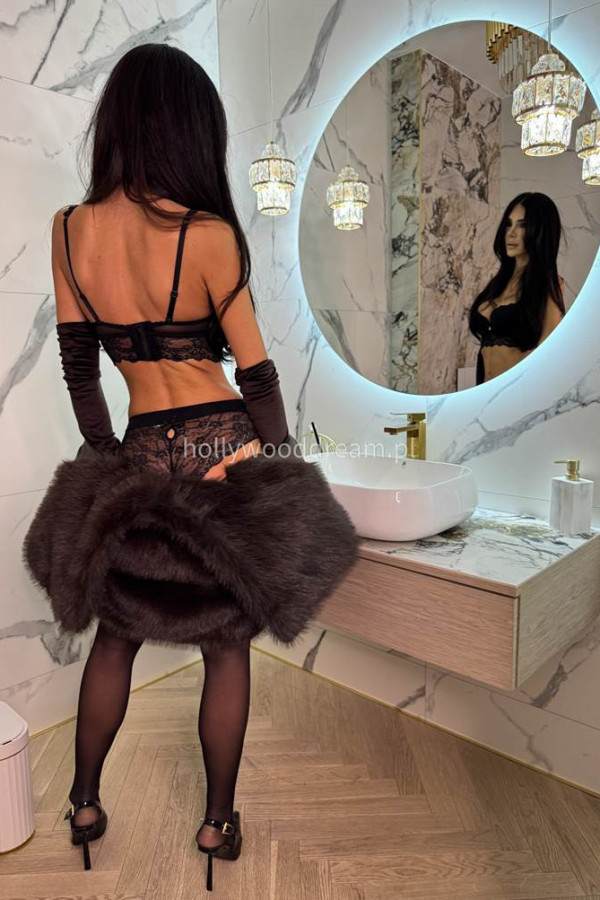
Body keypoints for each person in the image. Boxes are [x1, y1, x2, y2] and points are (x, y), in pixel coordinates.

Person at [50, 43, 297, 888]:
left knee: (117, 636)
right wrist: (283, 471)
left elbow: (80, 371)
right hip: (223, 447)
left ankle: (85, 803)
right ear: (189, 129)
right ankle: (216, 826)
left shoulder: (71, 231)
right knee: (226, 648)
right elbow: (256, 376)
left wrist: (111, 463)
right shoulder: (209, 235)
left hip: (142, 447)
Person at [468, 192, 566, 385]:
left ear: (541, 231)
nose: (511, 233)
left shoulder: (547, 284)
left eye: (523, 225)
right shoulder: (498, 283)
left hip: (518, 394)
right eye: (508, 224)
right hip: (484, 393)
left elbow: (549, 353)